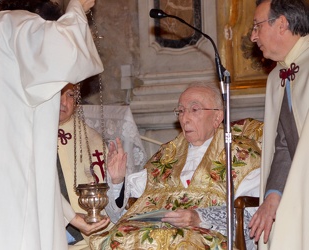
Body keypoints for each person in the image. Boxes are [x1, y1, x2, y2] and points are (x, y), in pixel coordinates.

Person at [0, 0, 105, 249]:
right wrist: (77, 7)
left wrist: (71, 217)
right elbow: (68, 50)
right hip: (6, 186)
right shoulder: (18, 25)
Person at [91, 83, 263, 249]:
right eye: (180, 111)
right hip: (155, 232)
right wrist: (117, 180)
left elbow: (251, 213)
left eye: (194, 110)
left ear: (218, 116)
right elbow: (119, 214)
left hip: (208, 233)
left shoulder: (241, 154)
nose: (184, 118)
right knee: (119, 238)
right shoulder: (167, 154)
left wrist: (200, 217)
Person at [248, 0, 309, 249]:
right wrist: (272, 198)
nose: (253, 36)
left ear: (281, 24)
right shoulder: (277, 77)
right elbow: (282, 146)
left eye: (257, 26)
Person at [57, 83, 111, 248]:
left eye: (70, 95)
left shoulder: (91, 137)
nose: (64, 102)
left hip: (89, 236)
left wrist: (117, 180)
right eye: (59, 94)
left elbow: (110, 196)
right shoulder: (32, 136)